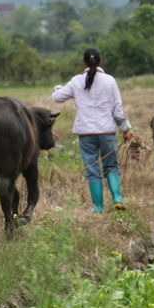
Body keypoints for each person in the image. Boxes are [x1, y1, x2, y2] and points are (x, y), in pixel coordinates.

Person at [52, 47, 134, 213]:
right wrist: (125, 129)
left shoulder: (76, 81)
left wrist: (57, 88)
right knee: (111, 167)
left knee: (92, 170)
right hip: (107, 132)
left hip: (86, 133)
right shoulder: (110, 80)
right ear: (100, 62)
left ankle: (97, 207)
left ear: (84, 63)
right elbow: (117, 109)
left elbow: (57, 97)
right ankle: (117, 198)